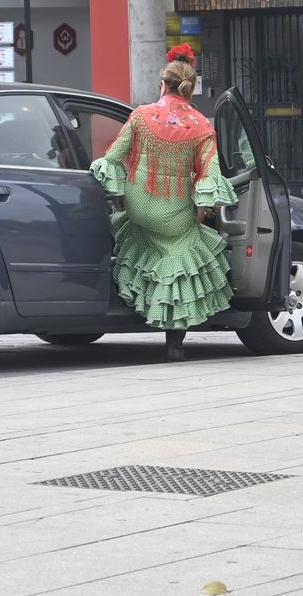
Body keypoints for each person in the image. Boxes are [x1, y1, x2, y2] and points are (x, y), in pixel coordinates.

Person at [90, 44, 235, 362]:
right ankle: (174, 344)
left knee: (140, 241)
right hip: (173, 214)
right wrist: (201, 212)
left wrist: (119, 201)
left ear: (163, 84)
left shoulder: (141, 116)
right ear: (191, 88)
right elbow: (210, 177)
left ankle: (130, 303)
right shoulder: (201, 127)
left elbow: (112, 159)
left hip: (139, 205)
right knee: (182, 257)